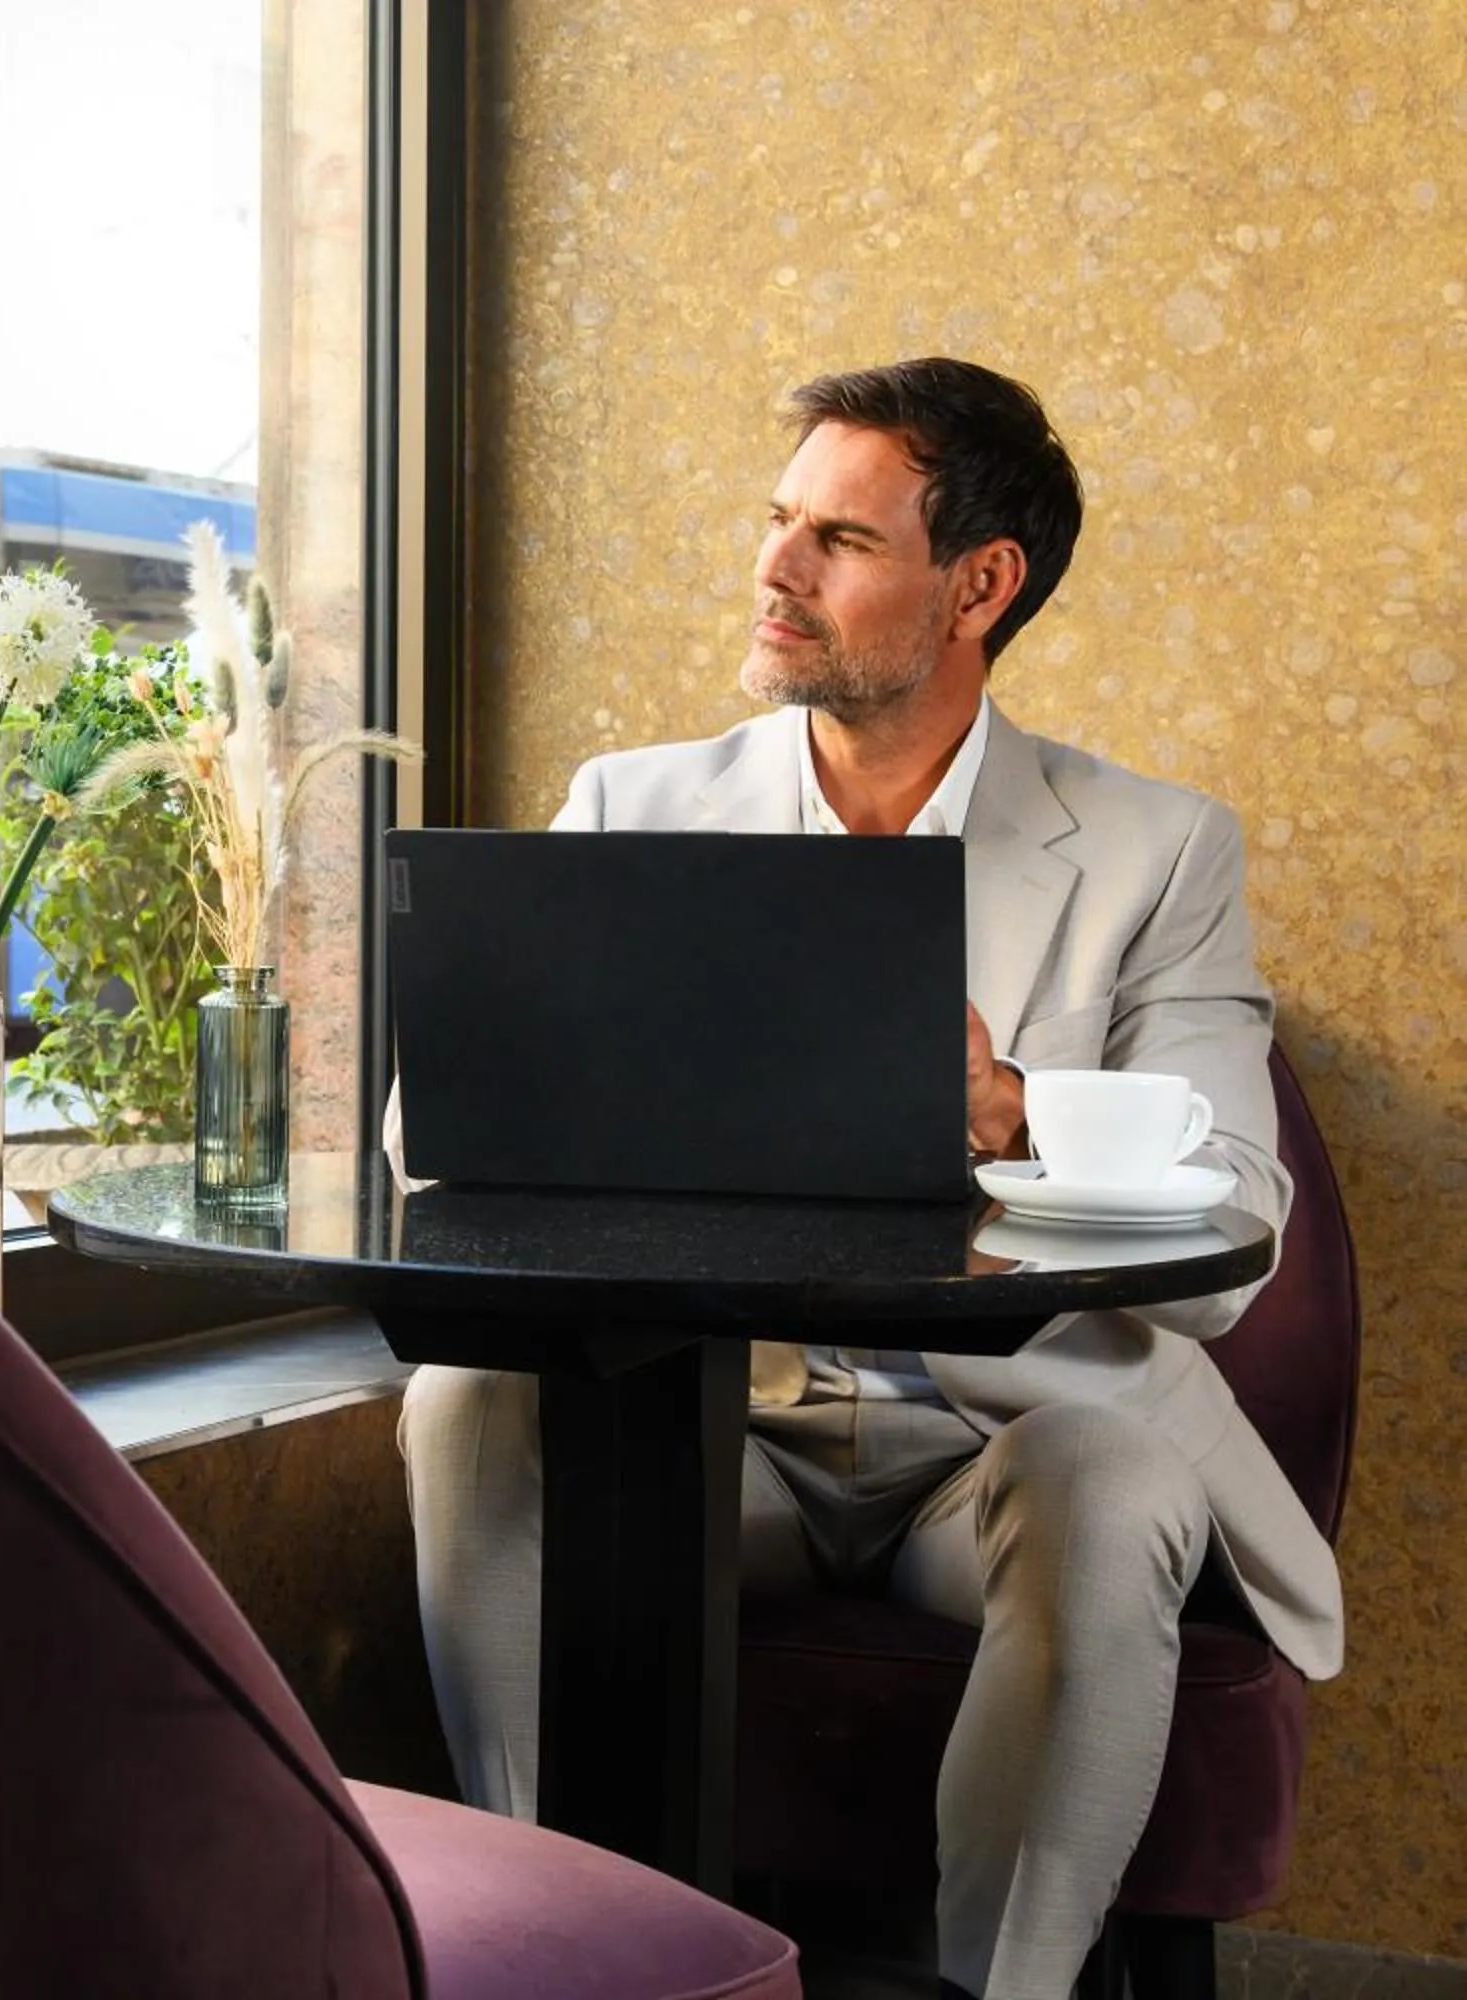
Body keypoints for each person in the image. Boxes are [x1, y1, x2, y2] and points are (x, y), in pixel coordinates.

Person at [389, 358, 1342, 2000]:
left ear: (980, 585)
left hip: (1003, 1445)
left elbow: (1233, 1233)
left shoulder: (1156, 849)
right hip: (711, 1431)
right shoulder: (632, 810)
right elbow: (435, 1157)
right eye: (779, 521)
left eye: (837, 537)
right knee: (465, 1403)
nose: (776, 567)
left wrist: (1009, 1110)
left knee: (1110, 1487)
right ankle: (573, 1959)